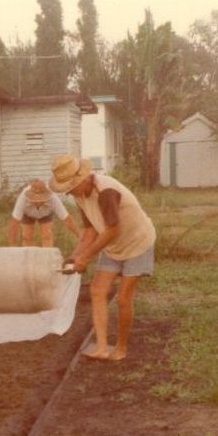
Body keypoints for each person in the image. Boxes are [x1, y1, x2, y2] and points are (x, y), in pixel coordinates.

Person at [48, 154, 156, 361]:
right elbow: (90, 230)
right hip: (114, 246)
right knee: (98, 290)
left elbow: (112, 230)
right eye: (67, 191)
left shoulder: (106, 192)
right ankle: (101, 347)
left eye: (72, 188)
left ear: (84, 179)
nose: (70, 194)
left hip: (137, 243)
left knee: (124, 298)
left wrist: (86, 257)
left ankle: (121, 348)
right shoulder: (80, 196)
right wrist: (75, 256)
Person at [8, 179, 82, 247]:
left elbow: (67, 220)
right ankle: (27, 258)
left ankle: (48, 256)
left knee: (47, 236)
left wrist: (80, 236)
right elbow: (14, 223)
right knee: (26, 237)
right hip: (27, 214)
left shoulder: (53, 198)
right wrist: (12, 246)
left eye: (40, 200)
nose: (37, 202)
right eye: (34, 200)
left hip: (46, 214)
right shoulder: (23, 197)